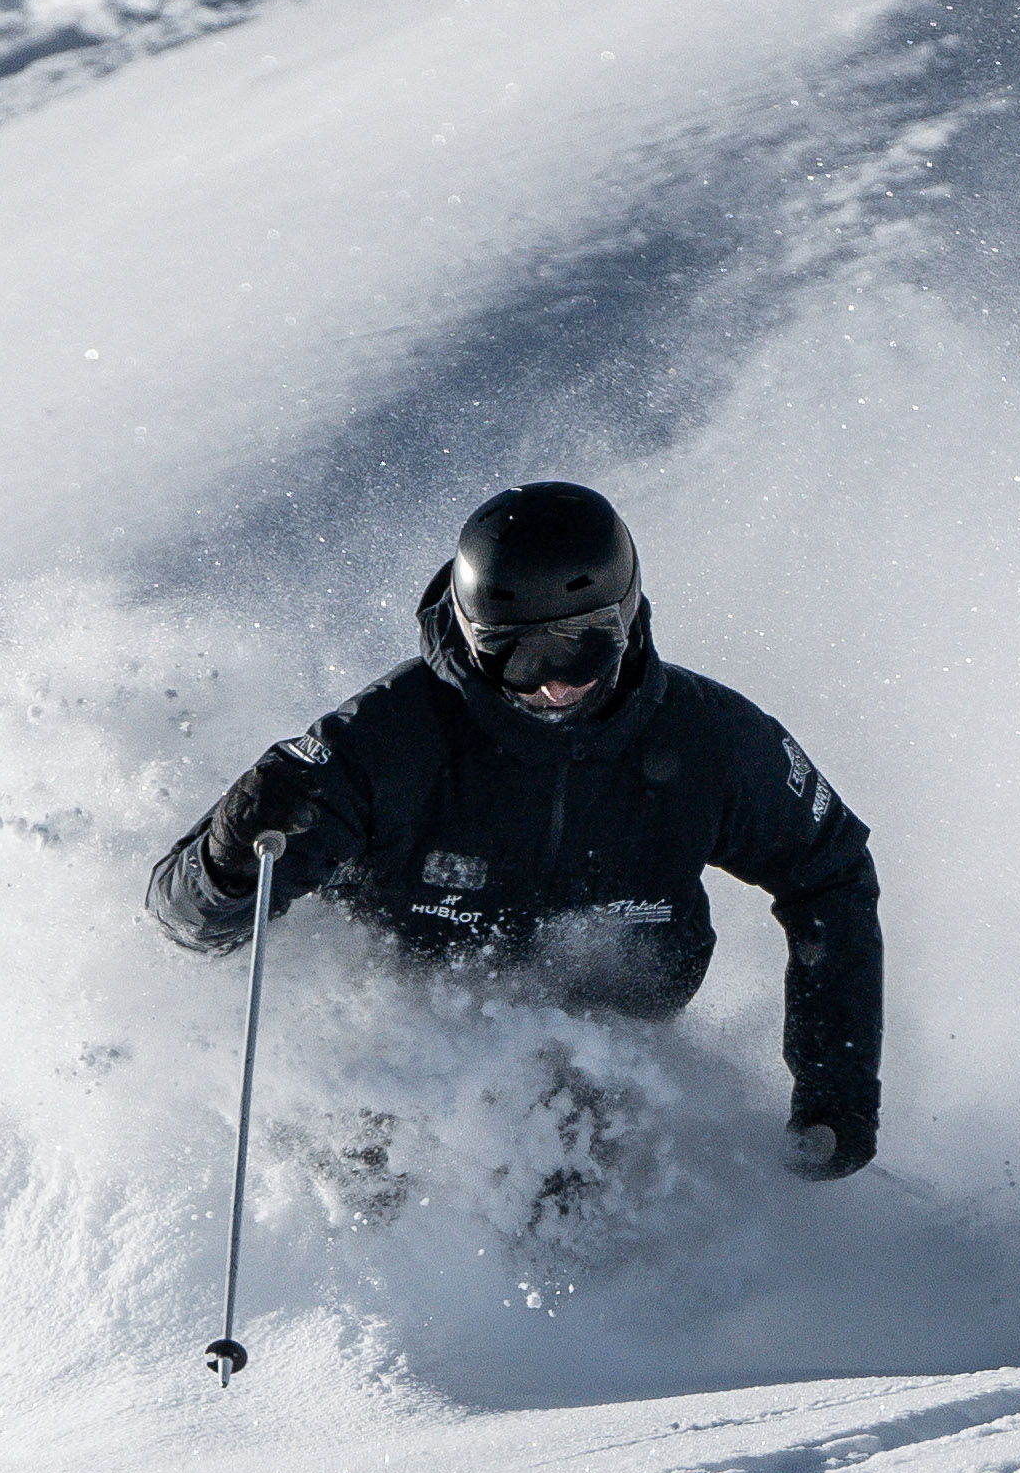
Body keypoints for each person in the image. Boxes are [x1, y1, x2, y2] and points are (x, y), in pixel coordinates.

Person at [147, 480, 882, 1176]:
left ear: (625, 617)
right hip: (403, 1064)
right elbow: (182, 924)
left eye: (580, 647)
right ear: (469, 636)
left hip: (609, 1061)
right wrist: (228, 864)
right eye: (511, 654)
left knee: (596, 1210)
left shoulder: (710, 742)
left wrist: (834, 1088)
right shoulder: (385, 745)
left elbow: (831, 872)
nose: (550, 683)